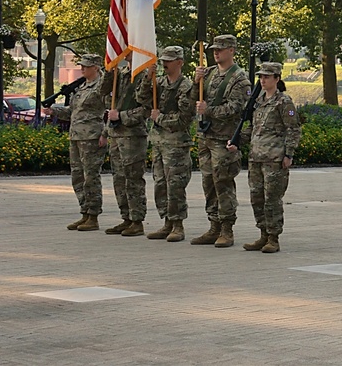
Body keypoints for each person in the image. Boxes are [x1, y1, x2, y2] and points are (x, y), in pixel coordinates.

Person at [232, 62, 301, 253]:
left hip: (274, 158)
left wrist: (289, 154)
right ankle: (263, 234)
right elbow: (254, 129)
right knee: (257, 198)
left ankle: (273, 237)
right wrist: (237, 141)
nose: (262, 80)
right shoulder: (258, 101)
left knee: (272, 199)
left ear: (277, 79)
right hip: (256, 158)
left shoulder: (283, 102)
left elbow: (293, 129)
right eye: (261, 77)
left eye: (267, 77)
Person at [190, 34, 250, 248]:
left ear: (232, 50)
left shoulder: (239, 79)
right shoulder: (210, 74)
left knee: (223, 183)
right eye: (214, 49)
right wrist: (195, 82)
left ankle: (227, 228)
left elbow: (236, 109)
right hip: (206, 137)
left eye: (221, 49)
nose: (216, 52)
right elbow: (192, 99)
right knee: (208, 182)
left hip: (224, 139)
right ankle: (213, 225)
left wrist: (210, 110)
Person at [43, 54, 112, 231]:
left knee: (91, 177)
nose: (82, 69)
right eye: (81, 65)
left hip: (91, 137)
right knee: (77, 177)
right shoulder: (82, 87)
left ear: (96, 67)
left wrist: (105, 134)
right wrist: (54, 112)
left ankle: (93, 216)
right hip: (76, 136)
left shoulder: (101, 88)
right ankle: (85, 212)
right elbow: (73, 111)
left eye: (86, 66)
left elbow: (111, 111)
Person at [138, 46, 194, 242]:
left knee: (175, 185)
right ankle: (167, 222)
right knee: (160, 184)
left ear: (179, 62)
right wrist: (148, 77)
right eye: (163, 60)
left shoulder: (185, 87)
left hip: (176, 144)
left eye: (169, 60)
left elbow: (184, 119)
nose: (164, 64)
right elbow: (141, 98)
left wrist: (159, 118)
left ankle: (178, 225)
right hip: (160, 143)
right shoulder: (159, 83)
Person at [103, 64, 150, 236]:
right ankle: (126, 218)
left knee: (133, 178)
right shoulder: (119, 73)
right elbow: (103, 91)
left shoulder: (143, 75)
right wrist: (109, 71)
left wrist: (122, 116)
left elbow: (147, 108)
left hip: (132, 135)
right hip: (116, 133)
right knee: (119, 179)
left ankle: (137, 220)